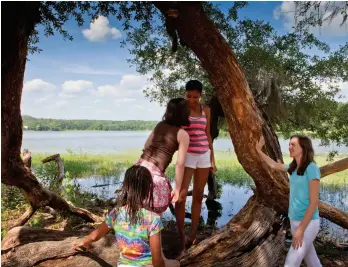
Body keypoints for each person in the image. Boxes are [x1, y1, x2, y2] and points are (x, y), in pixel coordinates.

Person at [73, 165, 179, 267]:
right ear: (148, 189)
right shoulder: (153, 219)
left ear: (126, 187)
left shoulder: (116, 214)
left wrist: (84, 242)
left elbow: (95, 236)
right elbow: (157, 262)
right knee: (176, 263)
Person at [256, 135, 322, 267]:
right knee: (312, 262)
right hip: (294, 221)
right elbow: (273, 165)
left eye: (293, 145)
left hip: (308, 224)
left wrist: (301, 229)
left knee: (291, 263)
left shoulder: (312, 168)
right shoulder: (293, 168)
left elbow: (314, 202)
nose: (289, 147)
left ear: (303, 148)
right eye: (289, 144)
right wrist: (259, 150)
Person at [175, 80, 217, 252]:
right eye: (189, 96)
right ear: (185, 94)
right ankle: (181, 235)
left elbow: (207, 135)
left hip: (204, 155)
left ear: (201, 94)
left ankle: (192, 235)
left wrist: (213, 159)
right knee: (181, 197)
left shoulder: (206, 110)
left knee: (199, 195)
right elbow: (175, 131)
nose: (192, 100)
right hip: (188, 155)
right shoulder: (181, 109)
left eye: (195, 96)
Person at [137, 97, 190, 214]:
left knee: (136, 210)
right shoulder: (183, 134)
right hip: (154, 175)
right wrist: (177, 189)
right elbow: (180, 164)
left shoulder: (160, 125)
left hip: (137, 168)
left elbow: (146, 145)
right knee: (155, 213)